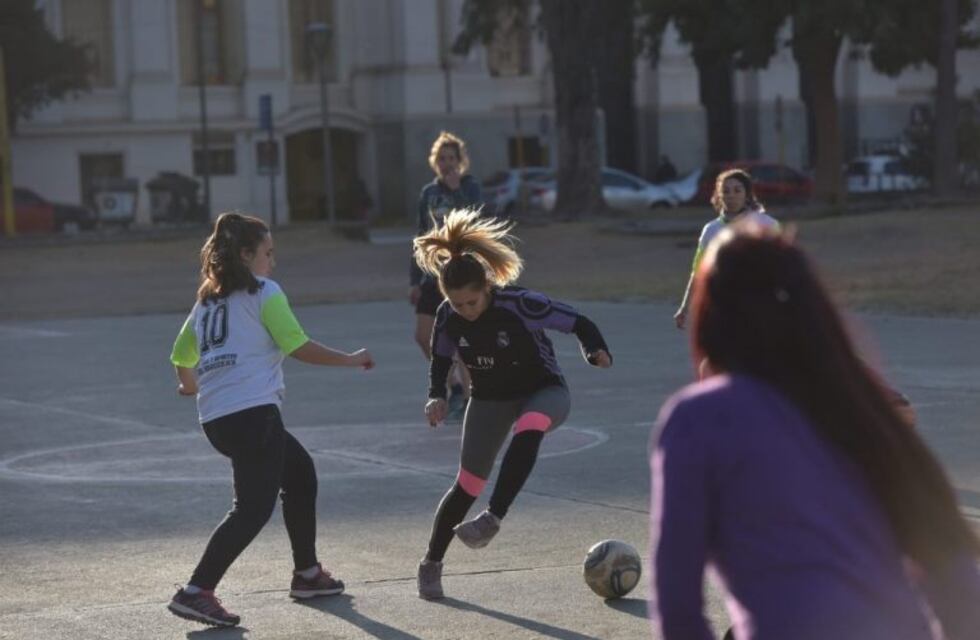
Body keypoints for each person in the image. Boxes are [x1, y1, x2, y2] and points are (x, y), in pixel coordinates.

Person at [649, 222, 980, 640]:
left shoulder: (699, 418)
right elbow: (958, 578)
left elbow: (678, 608)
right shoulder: (862, 407)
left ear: (711, 318)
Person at [167, 213, 374, 628]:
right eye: (267, 253)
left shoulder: (207, 302)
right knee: (251, 510)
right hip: (253, 415)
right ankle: (196, 591)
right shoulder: (265, 292)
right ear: (246, 255)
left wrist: (189, 386)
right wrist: (349, 360)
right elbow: (297, 346)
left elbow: (180, 356)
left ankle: (308, 574)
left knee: (299, 474)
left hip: (218, 418)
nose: (272, 262)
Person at [412, 208, 612, 600]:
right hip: (488, 399)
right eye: (457, 304)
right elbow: (439, 358)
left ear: (488, 286)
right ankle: (431, 561)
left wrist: (595, 350)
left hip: (543, 390)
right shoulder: (447, 316)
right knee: (466, 485)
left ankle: (492, 518)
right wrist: (436, 395)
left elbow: (580, 323)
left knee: (531, 423)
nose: (465, 311)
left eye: (472, 302)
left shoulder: (521, 305)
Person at [411, 131, 485, 421]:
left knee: (462, 340)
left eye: (451, 158)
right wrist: (413, 280)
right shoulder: (428, 193)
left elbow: (479, 220)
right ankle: (453, 384)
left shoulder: (470, 187)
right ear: (435, 162)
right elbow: (420, 235)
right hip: (432, 275)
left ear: (461, 161)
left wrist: (456, 191)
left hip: (460, 274)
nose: (446, 163)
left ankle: (470, 401)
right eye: (441, 158)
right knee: (422, 335)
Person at [674, 168, 778, 329]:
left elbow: (782, 268)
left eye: (737, 190)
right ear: (719, 195)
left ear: (747, 194)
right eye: (726, 191)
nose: (731, 195)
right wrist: (684, 308)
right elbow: (698, 272)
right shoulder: (711, 229)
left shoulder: (767, 225)